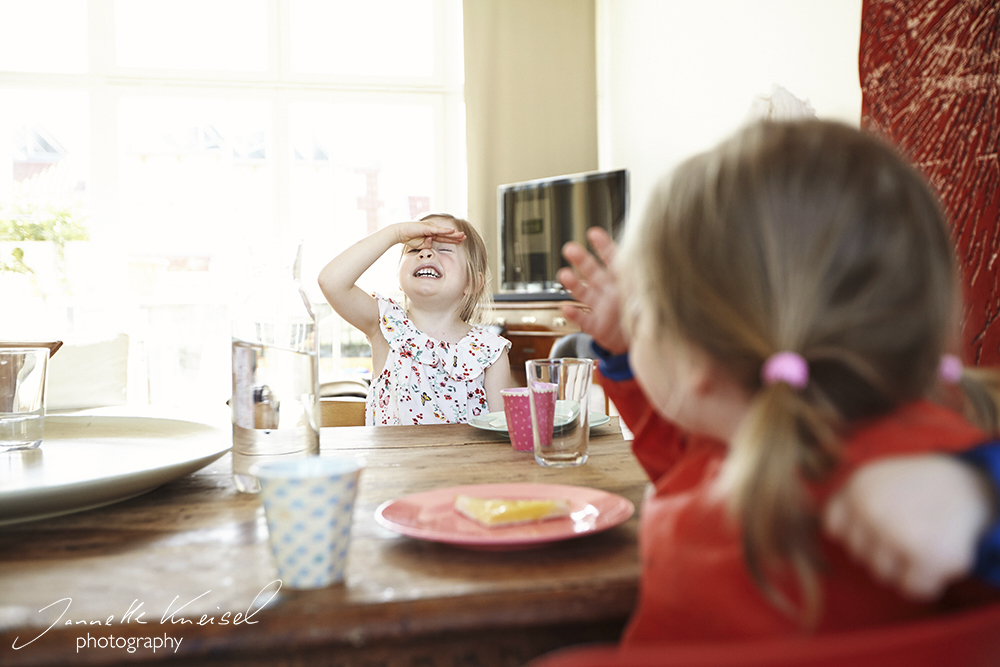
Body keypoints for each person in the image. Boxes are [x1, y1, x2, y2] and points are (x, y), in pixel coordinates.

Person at [556, 119, 1000, 644]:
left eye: (641, 312)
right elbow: (681, 456)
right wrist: (626, 355)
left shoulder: (918, 475)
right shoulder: (739, 440)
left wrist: (977, 497)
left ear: (697, 364)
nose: (632, 324)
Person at [318, 213, 511, 425]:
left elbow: (500, 433)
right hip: (393, 459)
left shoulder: (489, 351)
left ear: (473, 283)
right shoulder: (386, 325)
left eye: (444, 249)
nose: (426, 253)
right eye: (414, 250)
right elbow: (331, 281)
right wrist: (396, 233)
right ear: (400, 281)